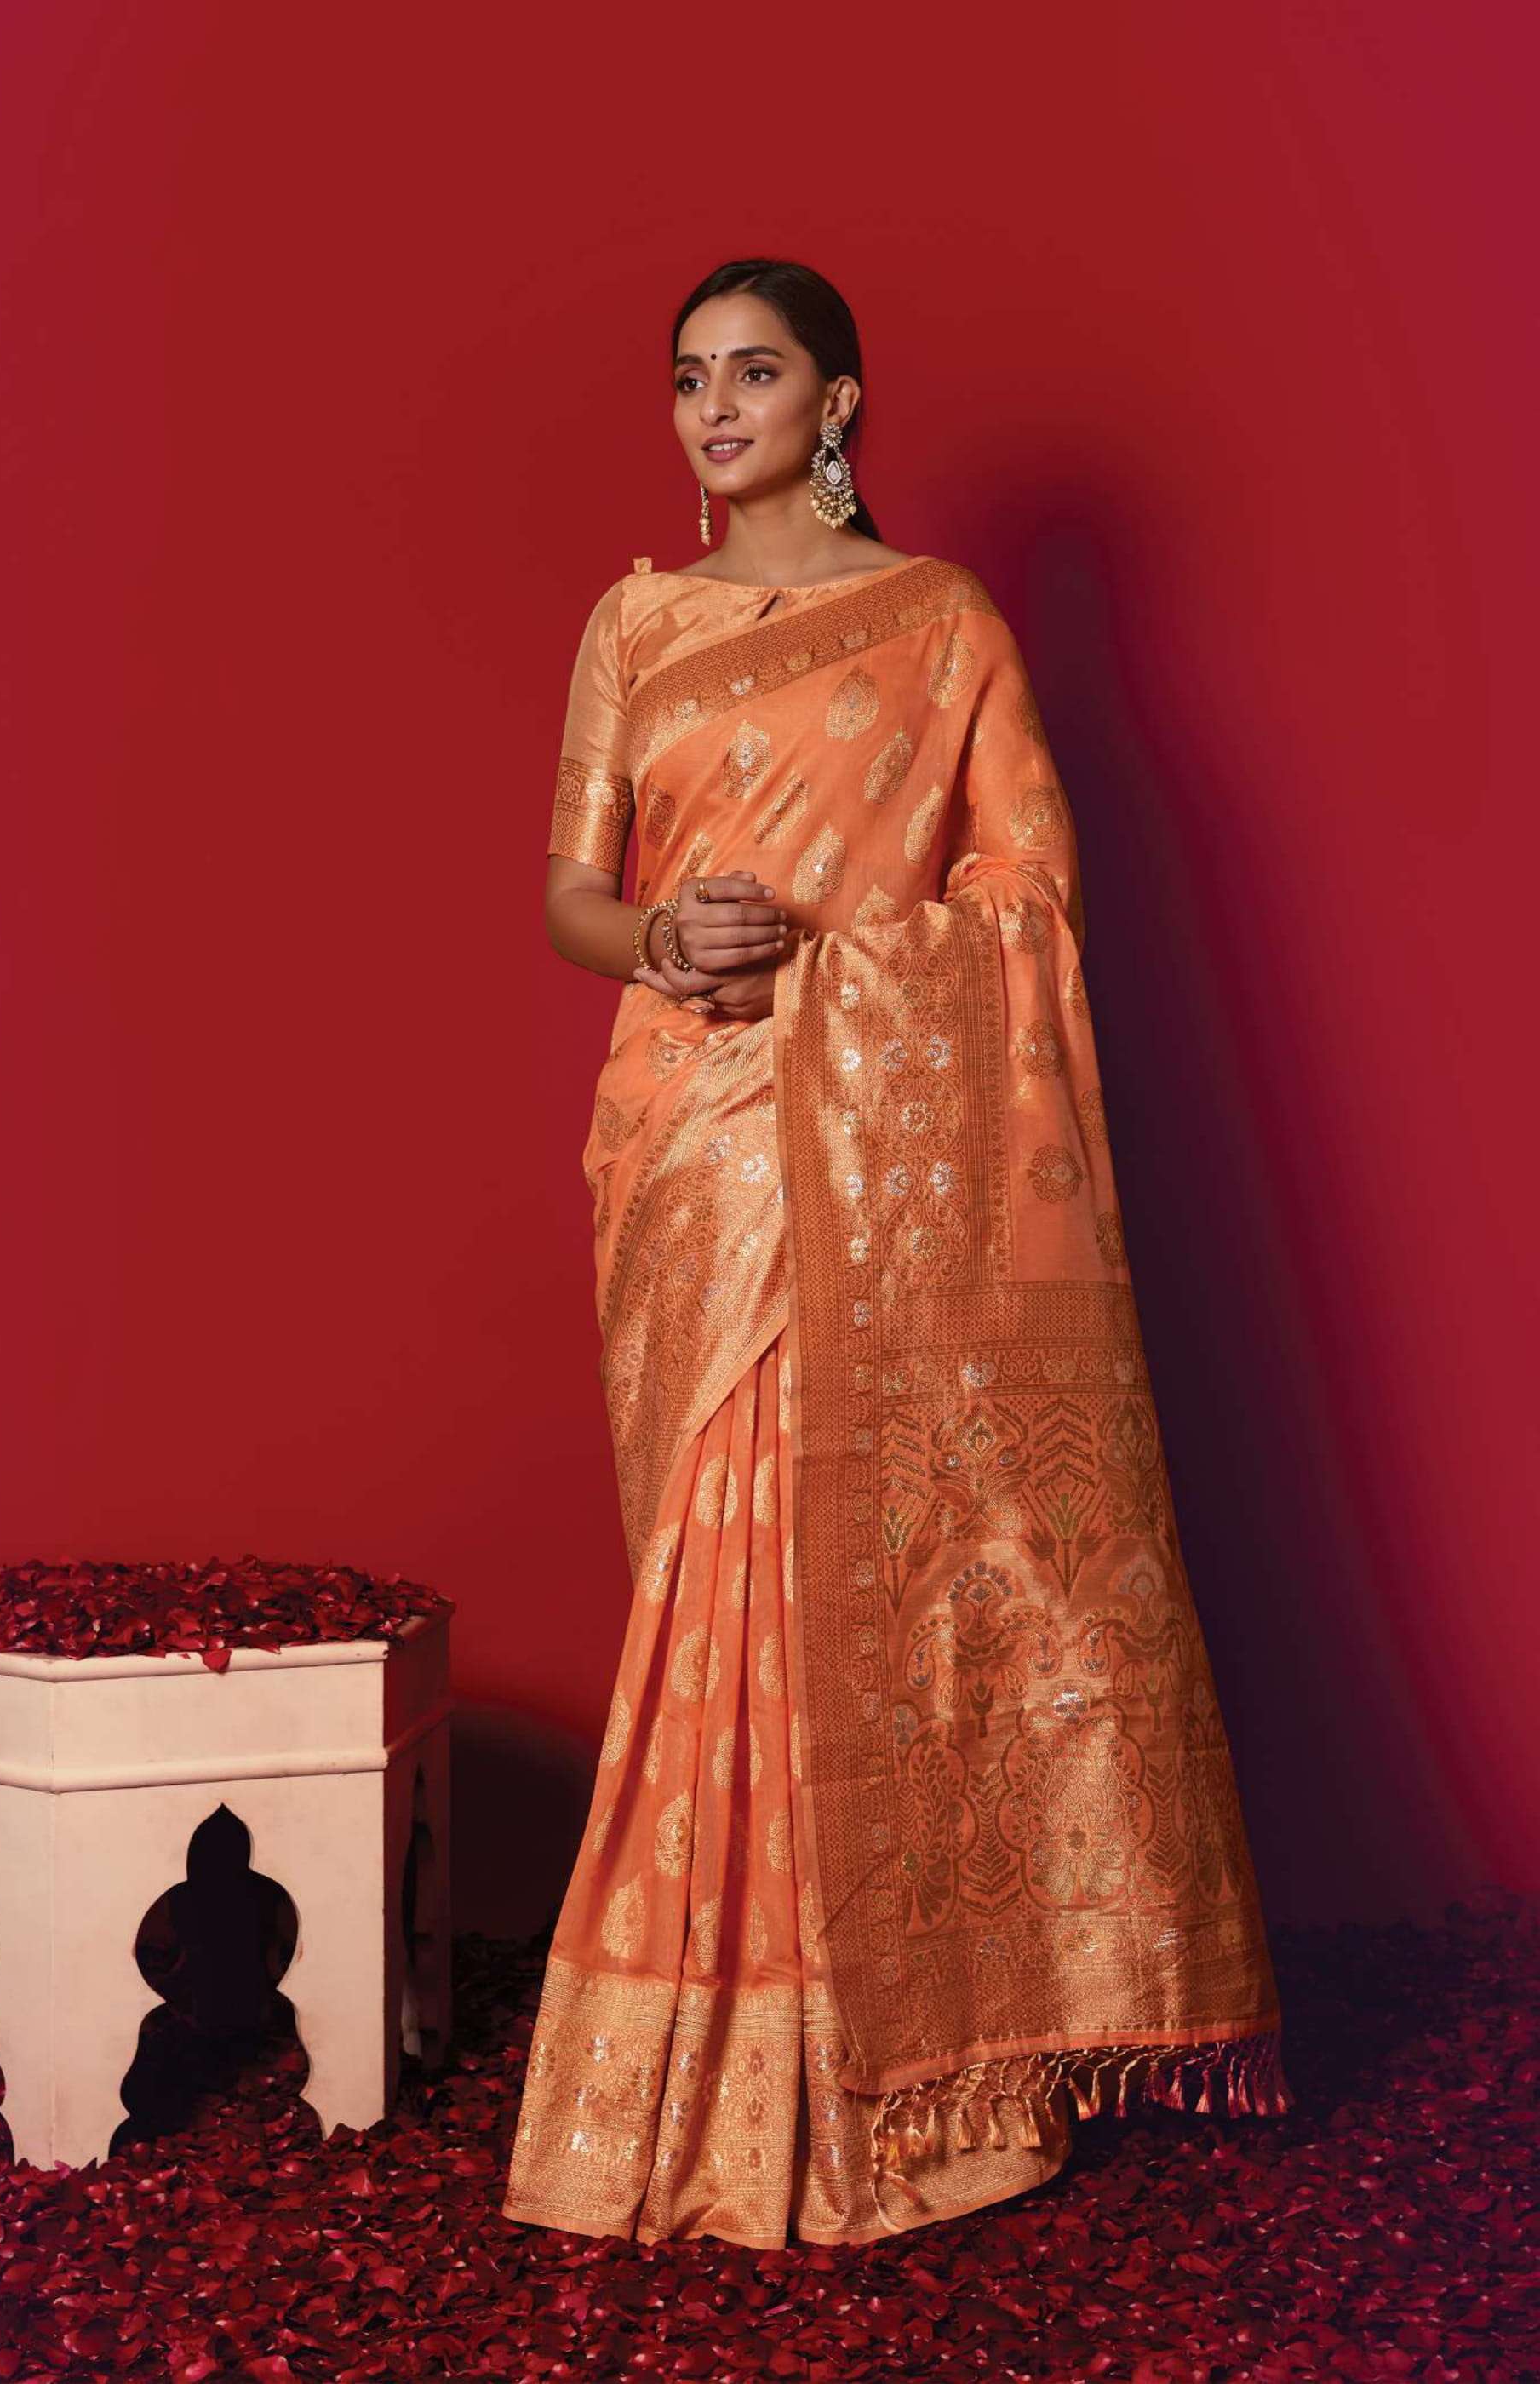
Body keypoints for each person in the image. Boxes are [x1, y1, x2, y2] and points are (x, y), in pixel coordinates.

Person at [501, 256, 1291, 2250]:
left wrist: (838, 968)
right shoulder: (634, 621)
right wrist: (657, 937)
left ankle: (883, 2061)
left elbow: (1031, 886)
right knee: (704, 1552)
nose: (713, 408)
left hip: (861, 1155)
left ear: (837, 401)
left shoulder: (942, 625)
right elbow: (570, 894)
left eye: (753, 371)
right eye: (687, 377)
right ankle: (699, 2054)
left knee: (827, 1547)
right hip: (684, 1138)